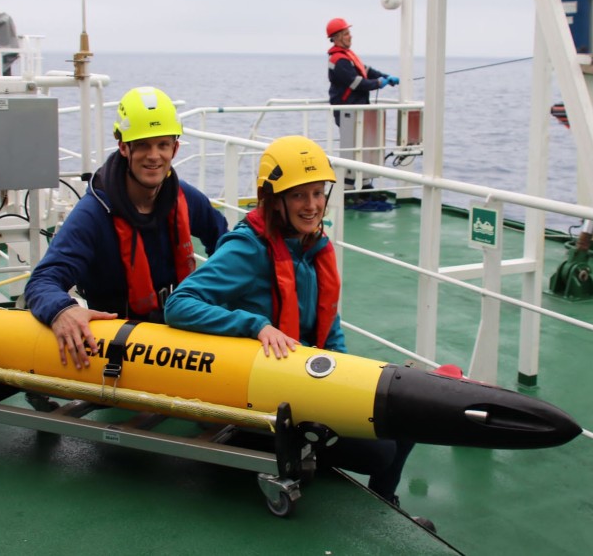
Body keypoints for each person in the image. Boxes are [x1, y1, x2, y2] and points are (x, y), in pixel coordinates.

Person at [164, 135, 431, 529]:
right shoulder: (248, 248)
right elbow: (179, 304)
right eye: (299, 196)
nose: (312, 205)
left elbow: (329, 326)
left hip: (310, 380)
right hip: (267, 399)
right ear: (274, 200)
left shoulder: (312, 246)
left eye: (317, 193)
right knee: (380, 452)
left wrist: (351, 377)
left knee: (406, 416)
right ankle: (376, 511)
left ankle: (384, 505)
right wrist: (255, 325)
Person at [24, 86, 228, 370]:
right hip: (123, 345)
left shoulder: (184, 198)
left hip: (181, 332)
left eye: (162, 145)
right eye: (143, 144)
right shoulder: (94, 214)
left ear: (175, 149)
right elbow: (42, 281)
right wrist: (63, 310)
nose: (153, 156)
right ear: (123, 147)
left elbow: (225, 243)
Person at [326, 18, 398, 198]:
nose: (350, 36)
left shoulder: (348, 57)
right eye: (346, 34)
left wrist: (385, 77)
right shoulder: (338, 60)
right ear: (336, 38)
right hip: (347, 111)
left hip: (358, 110)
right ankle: (348, 189)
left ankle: (365, 185)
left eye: (349, 33)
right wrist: (378, 83)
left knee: (363, 145)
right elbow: (356, 82)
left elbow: (367, 71)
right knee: (351, 148)